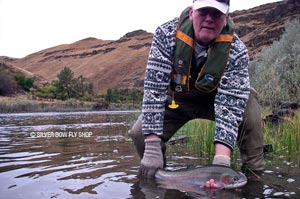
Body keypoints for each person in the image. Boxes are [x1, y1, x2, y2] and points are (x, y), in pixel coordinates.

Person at [128, 0, 264, 185]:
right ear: (191, 13)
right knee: (139, 133)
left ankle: (254, 180)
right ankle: (160, 181)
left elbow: (229, 107)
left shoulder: (237, 51)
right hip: (178, 100)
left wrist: (221, 165)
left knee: (249, 109)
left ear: (226, 18)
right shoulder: (165, 35)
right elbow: (154, 90)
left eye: (216, 13)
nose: (209, 18)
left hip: (217, 101)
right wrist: (152, 147)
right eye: (203, 12)